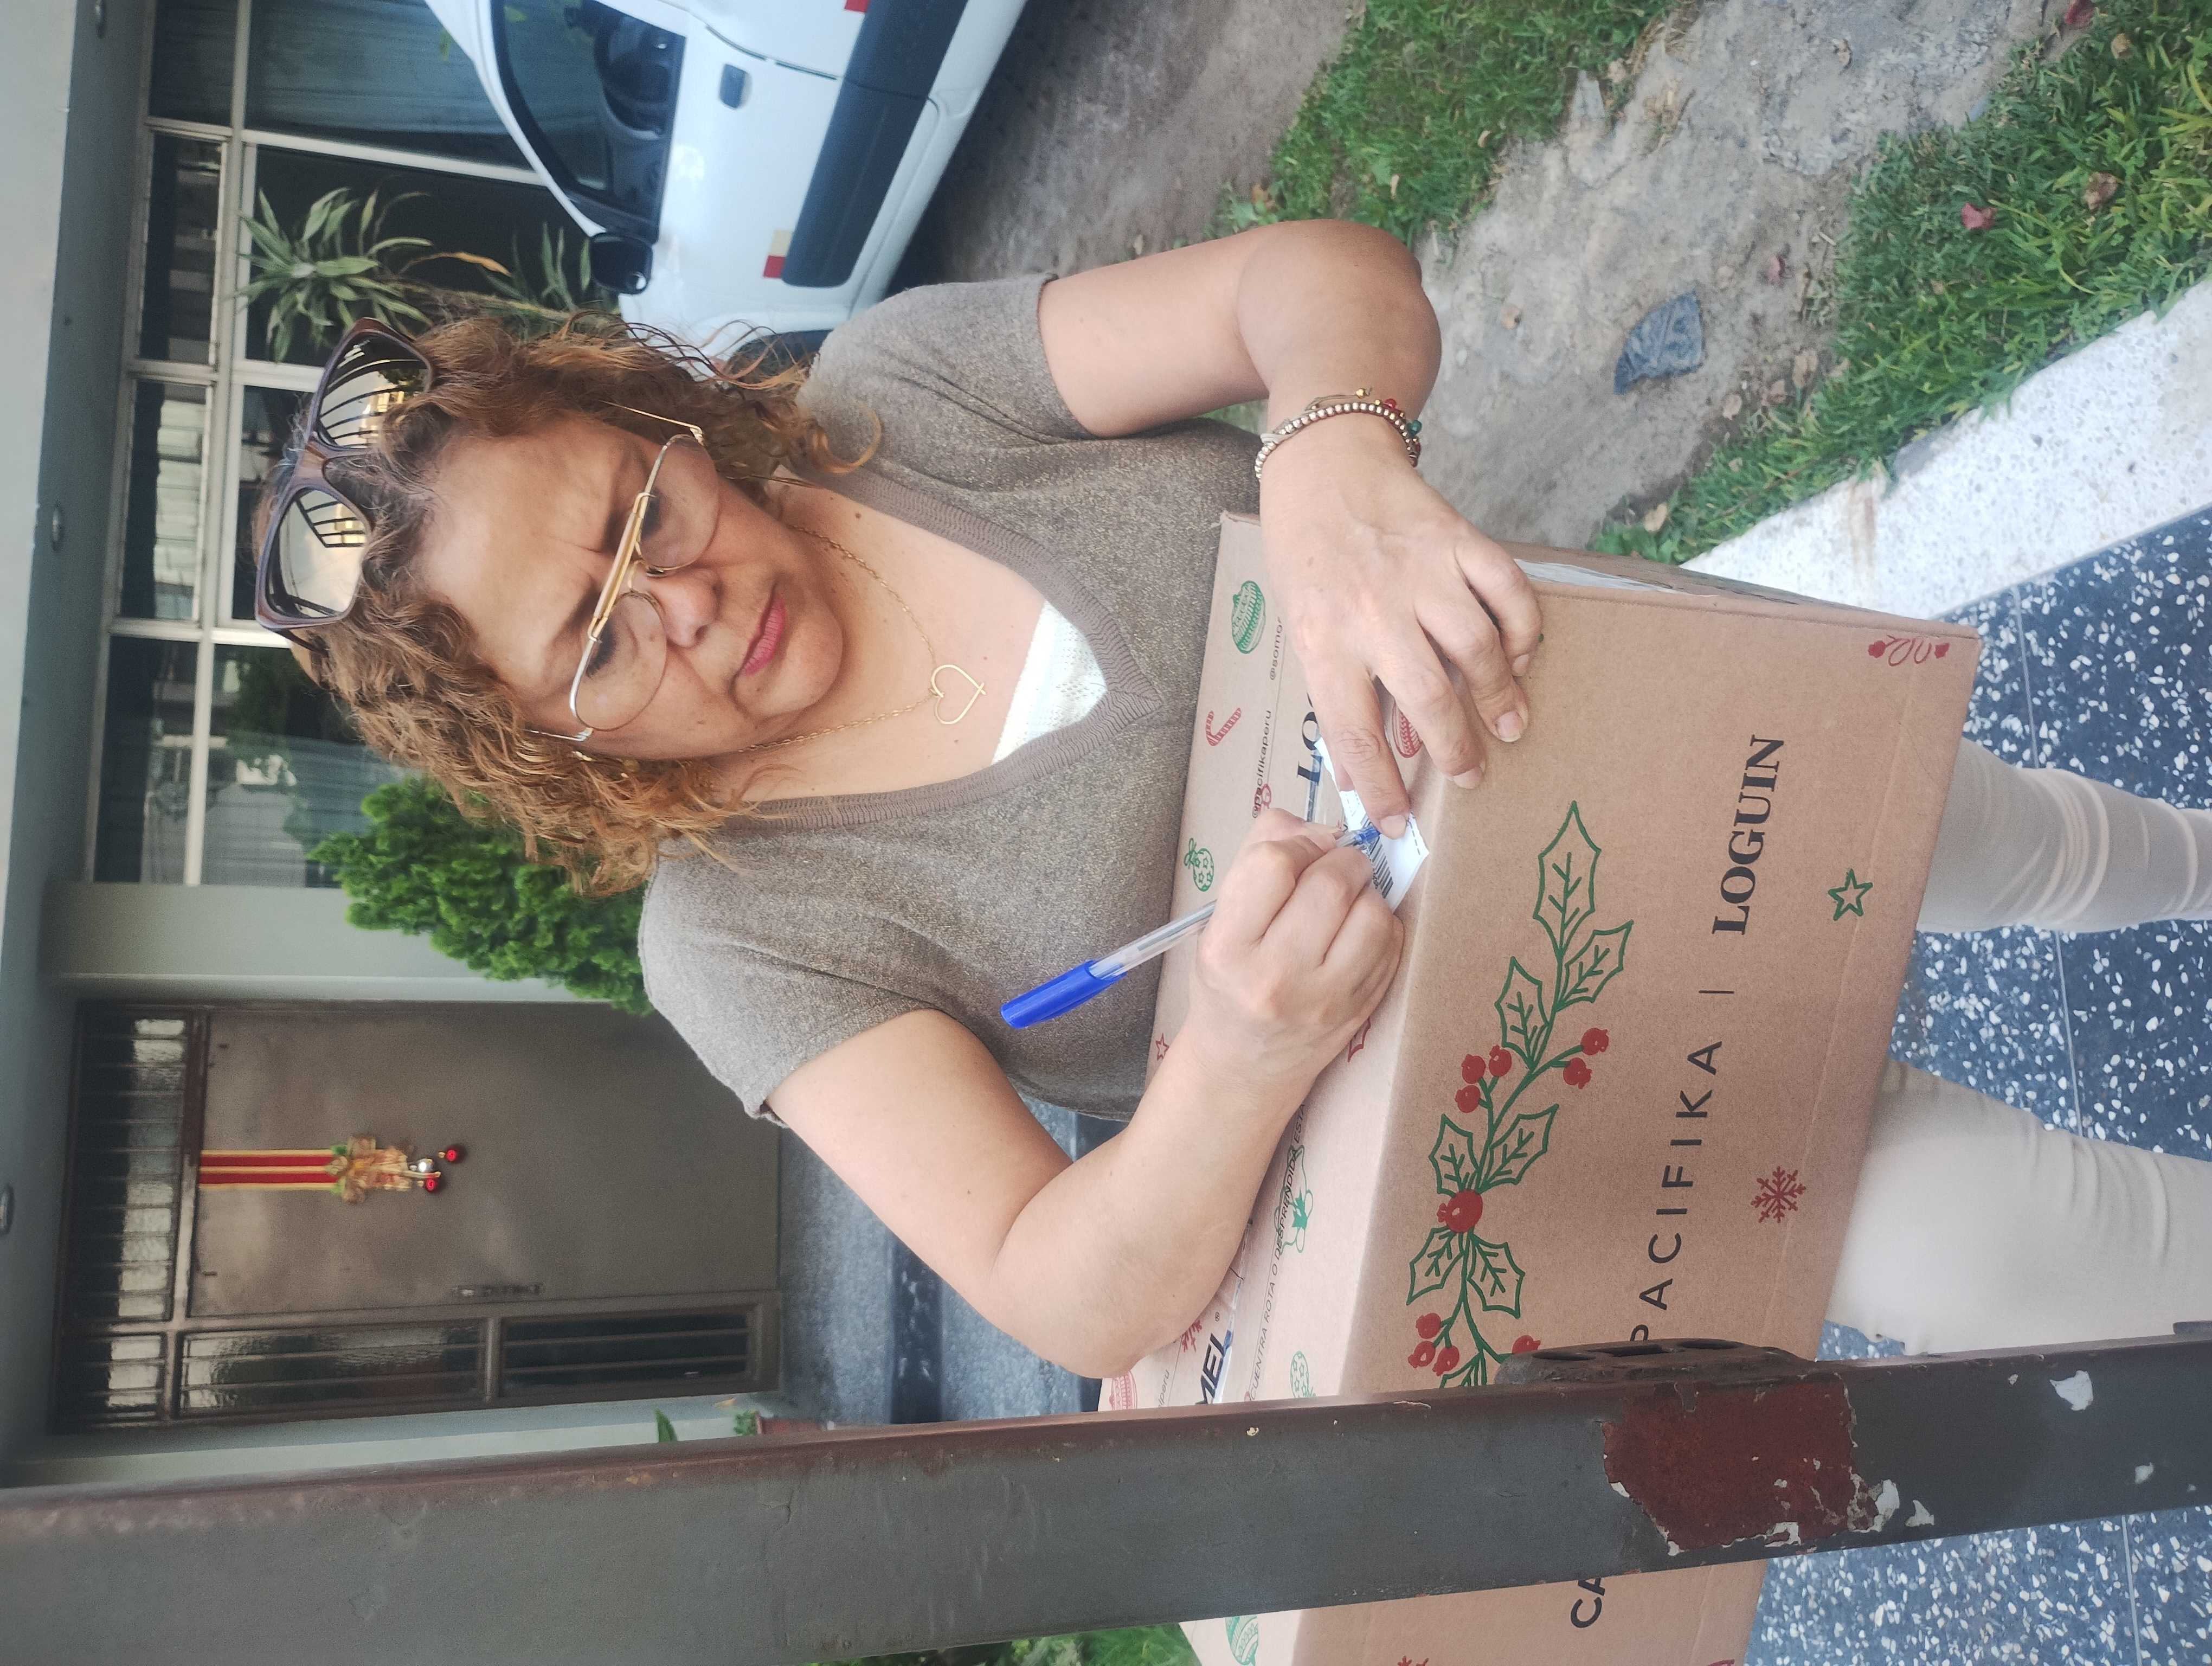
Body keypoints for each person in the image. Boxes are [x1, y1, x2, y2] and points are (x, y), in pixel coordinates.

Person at [259, 221, 2212, 1376]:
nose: (686, 605)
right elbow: (1058, 1291)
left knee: (2028, 841)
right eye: (601, 642)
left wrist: (1332, 453)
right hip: (1583, 1113)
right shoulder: (740, 932)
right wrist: (1238, 1061)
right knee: (2051, 1259)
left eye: (645, 510)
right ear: (546, 741)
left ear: (660, 417)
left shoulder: (900, 395)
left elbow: (1313, 276)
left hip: (1669, 754)